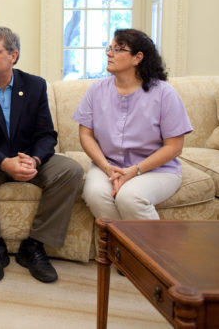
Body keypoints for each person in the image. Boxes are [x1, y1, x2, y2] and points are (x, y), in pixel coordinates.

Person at [0, 26, 83, 284]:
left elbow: (46, 134)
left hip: (26, 157)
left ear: (13, 56)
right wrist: (5, 162)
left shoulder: (34, 85)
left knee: (72, 170)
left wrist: (34, 160)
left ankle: (34, 247)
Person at [73, 28, 192, 221]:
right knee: (95, 194)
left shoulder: (164, 93)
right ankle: (122, 250)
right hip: (108, 166)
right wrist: (106, 167)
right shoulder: (96, 90)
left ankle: (152, 252)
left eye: (118, 49)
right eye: (109, 48)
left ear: (138, 58)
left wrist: (135, 170)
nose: (109, 54)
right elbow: (86, 134)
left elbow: (174, 147)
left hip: (156, 169)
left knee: (130, 197)